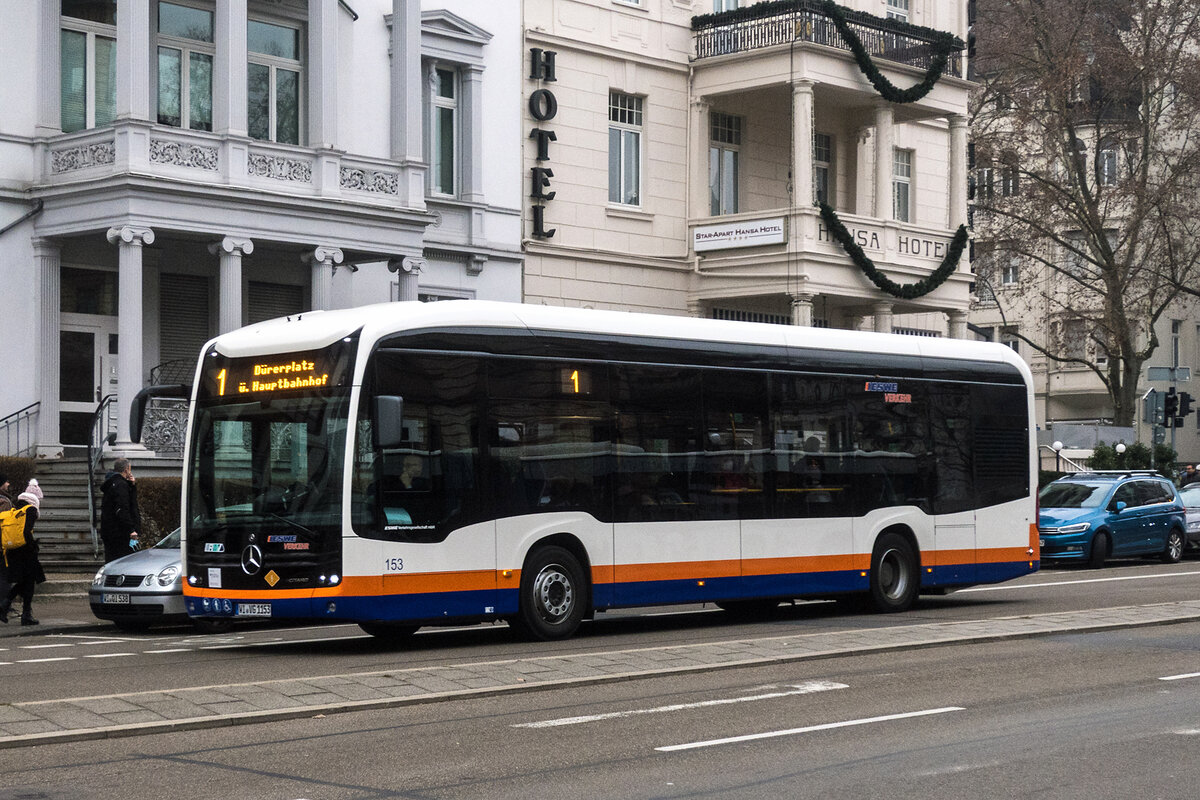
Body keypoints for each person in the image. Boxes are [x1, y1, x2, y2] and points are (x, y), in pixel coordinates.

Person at [1, 480, 46, 625]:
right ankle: (21, 612)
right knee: (29, 581)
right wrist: (33, 545)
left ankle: (9, 607)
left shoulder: (15, 509)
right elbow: (27, 532)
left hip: (13, 550)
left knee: (25, 581)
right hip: (26, 551)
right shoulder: (30, 510)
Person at [100, 458, 141, 563]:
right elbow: (123, 508)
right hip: (120, 533)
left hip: (109, 531)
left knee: (111, 560)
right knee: (124, 562)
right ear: (126, 469)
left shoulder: (111, 484)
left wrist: (132, 486)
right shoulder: (121, 485)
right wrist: (131, 529)